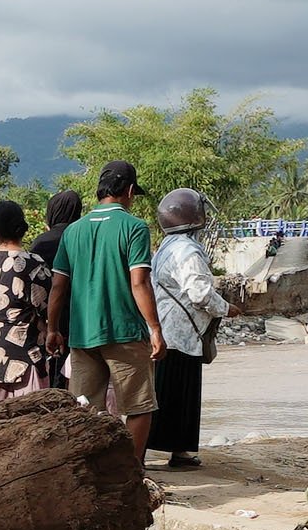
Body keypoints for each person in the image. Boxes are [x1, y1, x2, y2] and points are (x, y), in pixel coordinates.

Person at [58, 162, 160, 452]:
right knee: (139, 406)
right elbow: (139, 282)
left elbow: (58, 286)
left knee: (83, 410)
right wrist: (154, 328)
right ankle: (132, 472)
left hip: (82, 334)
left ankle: (91, 472)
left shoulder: (73, 231)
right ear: (129, 191)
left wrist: (54, 329)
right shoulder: (135, 227)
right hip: (124, 332)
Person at [148, 185, 226, 469]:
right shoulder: (188, 250)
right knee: (181, 392)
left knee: (164, 390)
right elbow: (199, 293)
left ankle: (161, 447)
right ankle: (178, 451)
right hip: (183, 331)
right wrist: (226, 308)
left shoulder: (166, 247)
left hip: (166, 328)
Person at [0, 199, 58, 403]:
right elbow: (46, 308)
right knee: (34, 414)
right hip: (25, 348)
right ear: (22, 229)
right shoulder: (33, 263)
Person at [34, 186, 83, 364]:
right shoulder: (85, 237)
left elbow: (35, 286)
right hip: (83, 318)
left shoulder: (42, 242)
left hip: (51, 320)